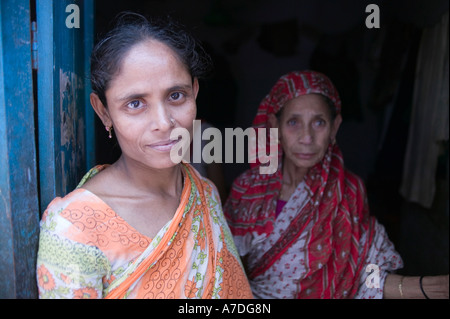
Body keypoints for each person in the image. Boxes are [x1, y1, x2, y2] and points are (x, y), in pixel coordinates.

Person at [36, 12, 253, 299]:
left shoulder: (204, 193)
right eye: (135, 103)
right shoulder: (75, 225)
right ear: (103, 111)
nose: (164, 122)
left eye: (176, 95)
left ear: (195, 93)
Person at [223, 70, 449, 299]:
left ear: (334, 127)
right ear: (275, 126)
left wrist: (430, 287)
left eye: (319, 122)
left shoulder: (348, 192)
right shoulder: (248, 190)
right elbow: (225, 271)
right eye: (293, 122)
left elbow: (365, 274)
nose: (307, 137)